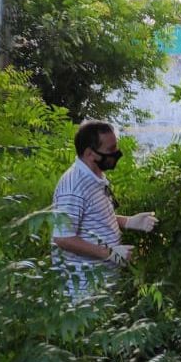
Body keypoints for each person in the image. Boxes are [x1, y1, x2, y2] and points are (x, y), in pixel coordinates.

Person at [51, 121, 159, 298]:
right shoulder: (73, 187)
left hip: (104, 282)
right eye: (111, 150)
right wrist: (109, 253)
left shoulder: (95, 176)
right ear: (89, 153)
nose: (117, 154)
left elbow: (94, 216)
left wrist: (129, 221)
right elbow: (63, 238)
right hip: (83, 290)